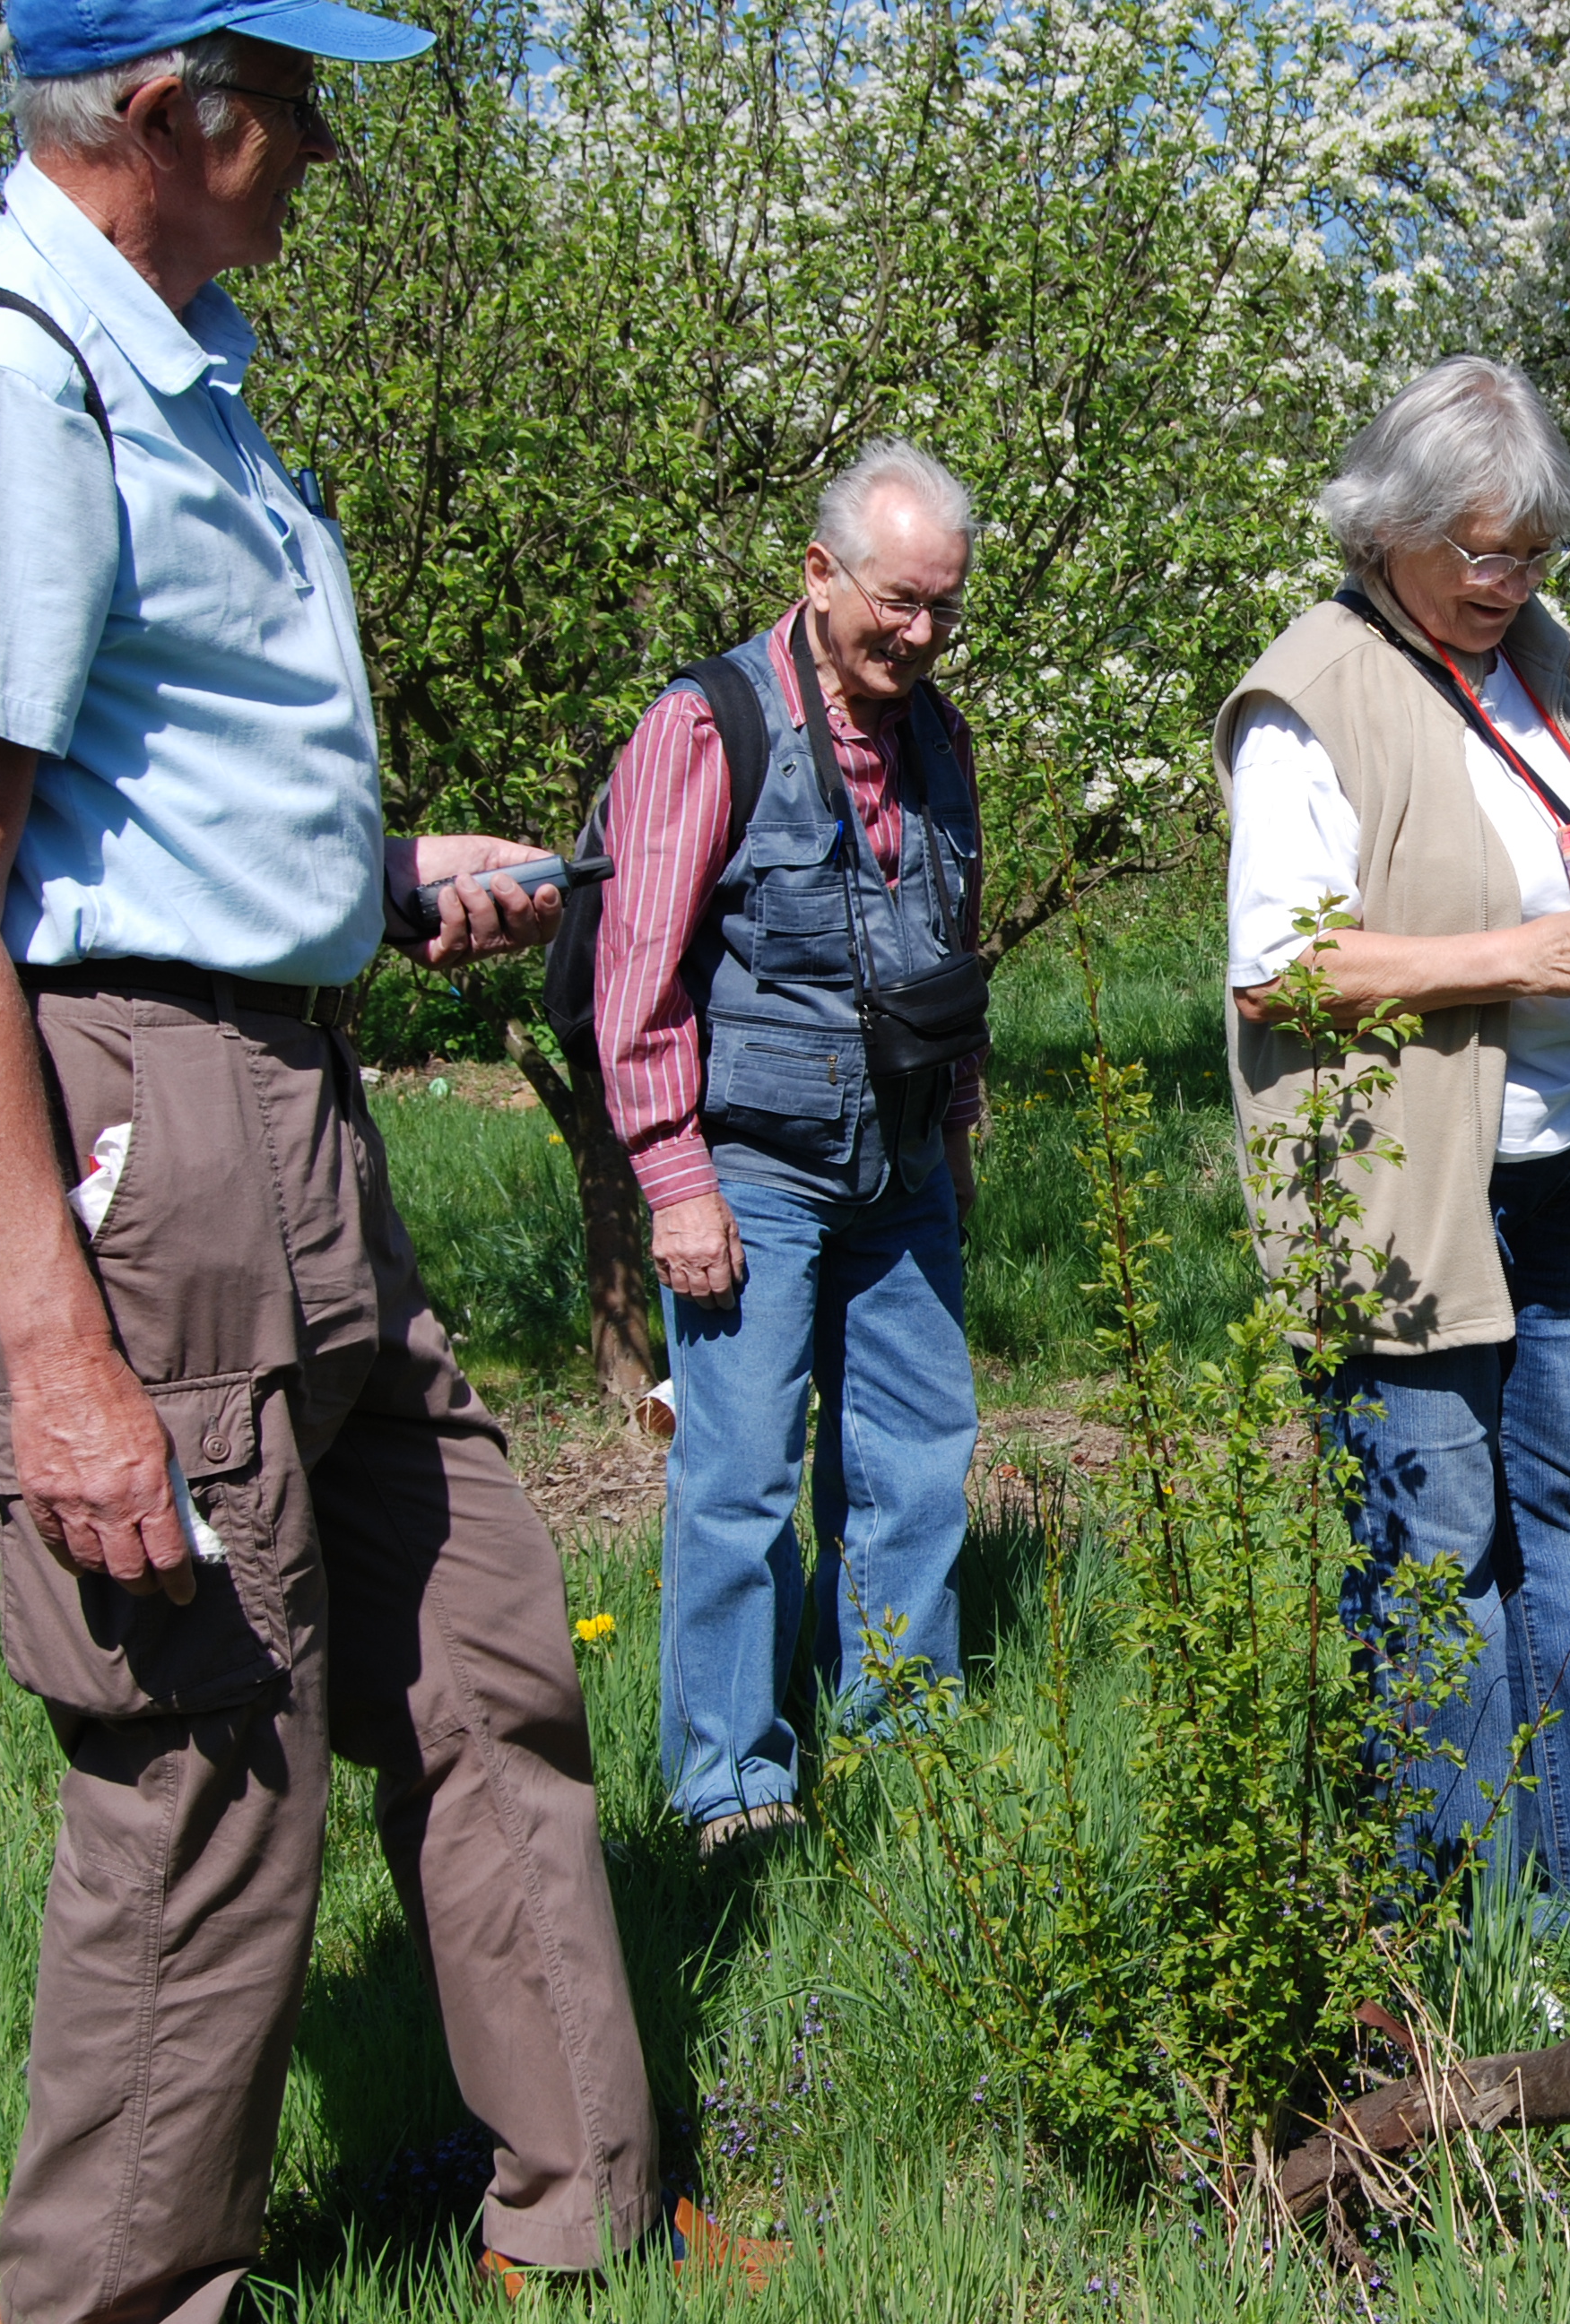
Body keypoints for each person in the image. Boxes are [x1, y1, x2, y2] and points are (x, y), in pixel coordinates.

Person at [0, 1, 772, 2306]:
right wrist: (63, 1363)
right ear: (173, 110)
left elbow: (153, 802)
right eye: (300, 103)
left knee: (484, 1658)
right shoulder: (3, 388)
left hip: (286, 1103)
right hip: (132, 1129)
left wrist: (367, 879)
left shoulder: (175, 374)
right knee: (206, 1773)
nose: (327, 150)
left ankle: (587, 2221)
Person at [1211, 355, 1570, 1895]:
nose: (1507, 582)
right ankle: (1447, 1917)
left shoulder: (1550, 658)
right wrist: (1528, 955)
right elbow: (1280, 970)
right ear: (1387, 527)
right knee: (1433, 1552)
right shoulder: (1313, 695)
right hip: (1403, 1202)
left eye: (1532, 550)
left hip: (1553, 1167)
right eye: (1478, 551)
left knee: (1565, 1515)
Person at [594, 441, 986, 1860]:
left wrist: (956, 1135)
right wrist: (674, 1181)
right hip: (750, 1167)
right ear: (820, 573)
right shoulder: (708, 728)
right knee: (741, 1478)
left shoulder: (939, 737)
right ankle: (732, 1787)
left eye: (944, 607)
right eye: (898, 602)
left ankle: (900, 1738)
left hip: (903, 1164)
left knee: (914, 1460)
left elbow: (951, 951)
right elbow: (636, 976)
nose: (921, 634)